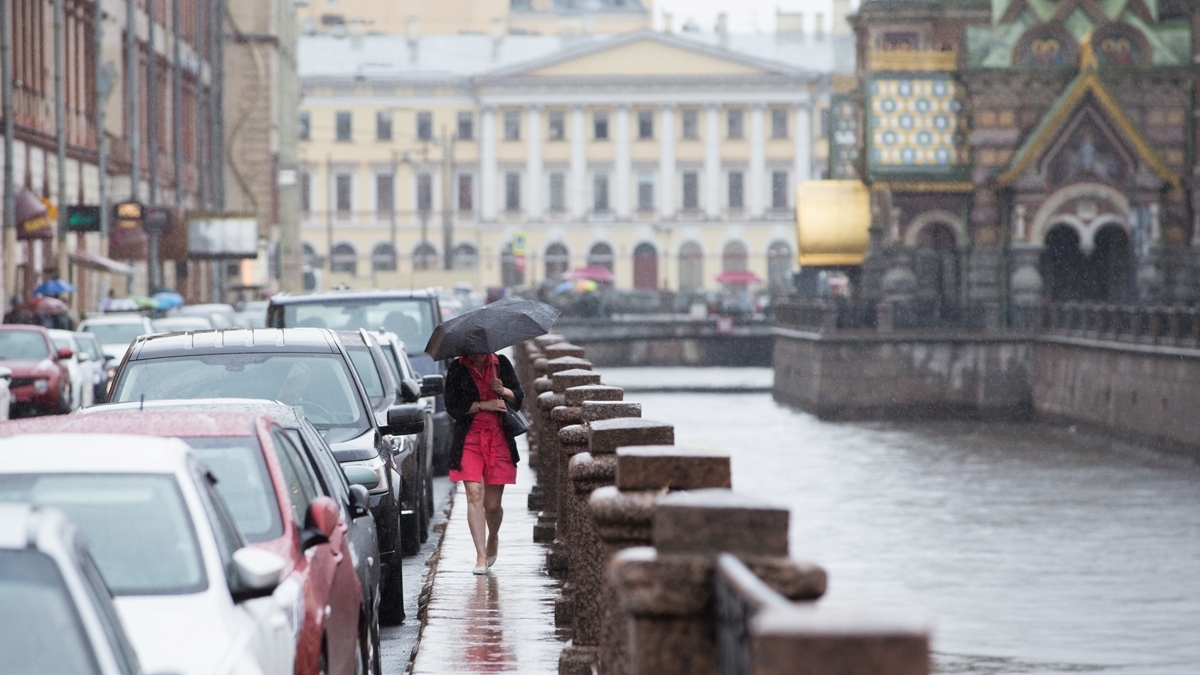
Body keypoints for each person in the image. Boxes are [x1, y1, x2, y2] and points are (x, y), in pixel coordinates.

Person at [444, 350, 524, 574]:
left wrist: (503, 391)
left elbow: (519, 398)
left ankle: (493, 536)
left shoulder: (501, 364)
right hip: (469, 439)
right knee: (474, 494)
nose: (477, 352)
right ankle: (480, 555)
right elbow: (452, 406)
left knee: (493, 505)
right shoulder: (457, 367)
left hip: (498, 439)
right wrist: (482, 405)